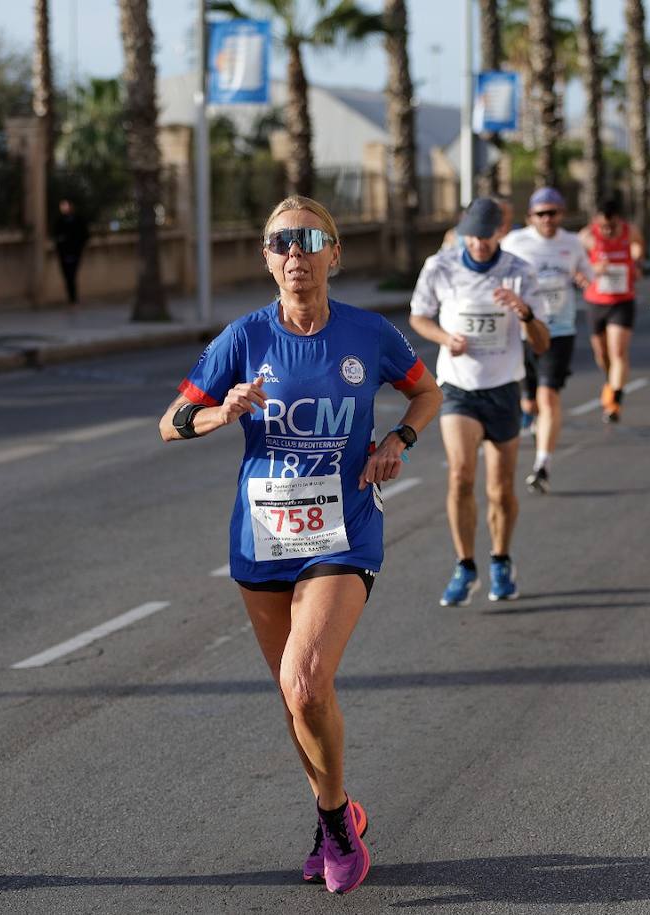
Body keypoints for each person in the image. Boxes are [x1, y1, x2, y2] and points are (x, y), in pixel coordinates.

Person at [159, 195, 440, 894]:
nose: (296, 254)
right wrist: (221, 412)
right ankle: (333, 810)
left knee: (307, 678)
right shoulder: (244, 338)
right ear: (267, 258)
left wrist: (398, 439)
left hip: (344, 530)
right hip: (264, 534)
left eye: (311, 241)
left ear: (334, 255)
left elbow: (426, 393)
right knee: (294, 696)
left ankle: (337, 825)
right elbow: (171, 422)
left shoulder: (369, 333)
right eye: (282, 242)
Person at [410, 197, 550, 605]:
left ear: (500, 233)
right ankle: (465, 565)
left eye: (486, 237)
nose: (478, 244)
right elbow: (419, 316)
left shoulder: (520, 271)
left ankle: (501, 560)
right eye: (471, 236)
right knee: (460, 475)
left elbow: (541, 343)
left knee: (500, 489)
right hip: (458, 387)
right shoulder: (441, 266)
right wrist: (444, 338)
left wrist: (525, 313)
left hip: (504, 388)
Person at [500, 187, 594, 493]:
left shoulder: (572, 243)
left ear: (561, 214)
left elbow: (589, 273)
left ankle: (543, 465)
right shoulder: (515, 242)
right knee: (529, 400)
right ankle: (531, 417)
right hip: (521, 332)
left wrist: (584, 279)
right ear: (530, 216)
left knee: (548, 395)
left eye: (553, 213)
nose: (547, 219)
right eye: (541, 214)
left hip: (559, 330)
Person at [580, 196, 645, 423]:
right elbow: (575, 263)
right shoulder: (587, 236)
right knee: (602, 353)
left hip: (622, 300)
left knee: (618, 351)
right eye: (603, 227)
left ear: (619, 220)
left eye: (612, 226)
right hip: (596, 301)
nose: (607, 231)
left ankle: (615, 401)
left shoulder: (630, 231)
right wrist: (590, 270)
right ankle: (610, 382)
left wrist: (636, 263)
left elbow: (638, 247)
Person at [52, 198, 90, 309]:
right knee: (67, 276)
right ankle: (71, 298)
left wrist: (78, 247)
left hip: (75, 252)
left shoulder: (78, 220)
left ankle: (73, 299)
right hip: (64, 253)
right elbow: (56, 236)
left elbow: (85, 235)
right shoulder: (60, 221)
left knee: (72, 275)